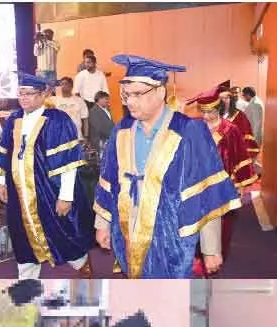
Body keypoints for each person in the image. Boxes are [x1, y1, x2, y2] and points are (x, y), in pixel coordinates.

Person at [93, 55, 240, 278]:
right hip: (128, 229)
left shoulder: (189, 132)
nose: (129, 102)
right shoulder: (121, 131)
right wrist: (102, 223)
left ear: (160, 92)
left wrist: (211, 249)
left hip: (170, 237)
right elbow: (108, 179)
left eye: (137, 94)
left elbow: (207, 193)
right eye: (126, 95)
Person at [0, 73, 94, 280]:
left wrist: (66, 196)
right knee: (22, 237)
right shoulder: (14, 119)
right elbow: (5, 151)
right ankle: (27, 284)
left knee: (62, 234)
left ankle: (83, 266)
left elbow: (68, 162)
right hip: (19, 192)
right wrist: (1, 181)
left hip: (48, 190)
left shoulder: (57, 120)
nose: (23, 98)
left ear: (43, 95)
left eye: (29, 94)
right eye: (21, 93)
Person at [186, 85, 259, 276]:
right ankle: (198, 259)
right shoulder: (195, 127)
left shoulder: (230, 130)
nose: (206, 116)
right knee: (198, 223)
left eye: (210, 111)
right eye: (203, 112)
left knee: (222, 226)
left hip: (223, 187)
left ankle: (216, 261)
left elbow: (239, 156)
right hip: (198, 185)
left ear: (218, 108)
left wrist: (240, 186)